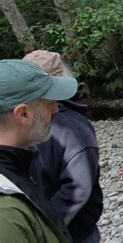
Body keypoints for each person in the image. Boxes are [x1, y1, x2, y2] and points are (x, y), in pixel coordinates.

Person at [23, 50, 104, 243]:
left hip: (46, 228)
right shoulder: (75, 127)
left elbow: (77, 188)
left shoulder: (20, 120)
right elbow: (77, 190)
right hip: (65, 231)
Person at [0, 59, 77, 242]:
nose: (56, 109)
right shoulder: (5, 214)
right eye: (49, 102)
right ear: (23, 114)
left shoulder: (15, 168)